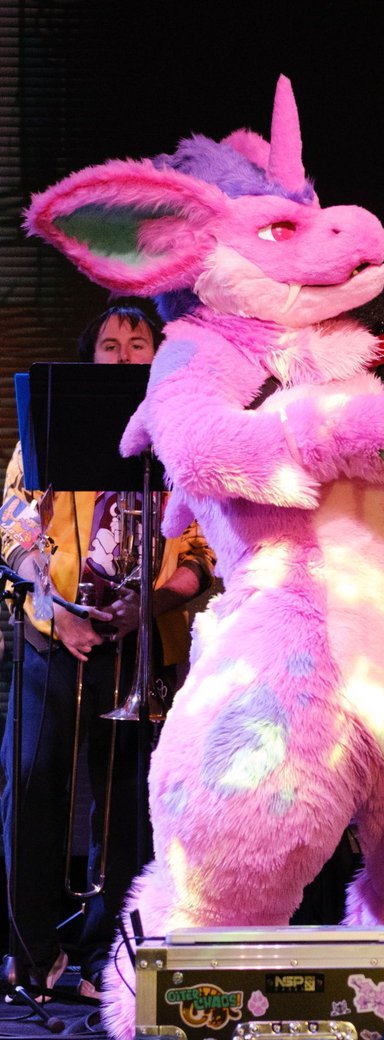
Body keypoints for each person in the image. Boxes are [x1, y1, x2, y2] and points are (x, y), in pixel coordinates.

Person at [0, 302, 216, 1001]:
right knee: (30, 787)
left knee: (129, 807)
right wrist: (57, 612)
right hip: (51, 630)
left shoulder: (185, 433)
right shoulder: (53, 422)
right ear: (89, 359)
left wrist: (144, 606)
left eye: (139, 344)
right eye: (110, 346)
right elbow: (12, 525)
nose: (124, 357)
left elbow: (204, 554)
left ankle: (106, 956)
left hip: (142, 639)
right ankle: (34, 953)